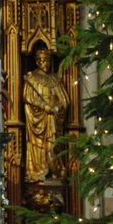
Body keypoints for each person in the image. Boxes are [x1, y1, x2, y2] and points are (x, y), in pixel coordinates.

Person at [23, 48, 69, 183]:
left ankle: (55, 171)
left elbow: (65, 101)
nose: (45, 63)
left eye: (47, 60)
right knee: (40, 147)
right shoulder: (32, 78)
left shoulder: (55, 79)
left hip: (53, 120)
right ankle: (38, 172)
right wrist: (44, 107)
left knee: (53, 146)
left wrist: (56, 107)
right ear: (37, 62)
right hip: (38, 122)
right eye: (42, 60)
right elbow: (27, 98)